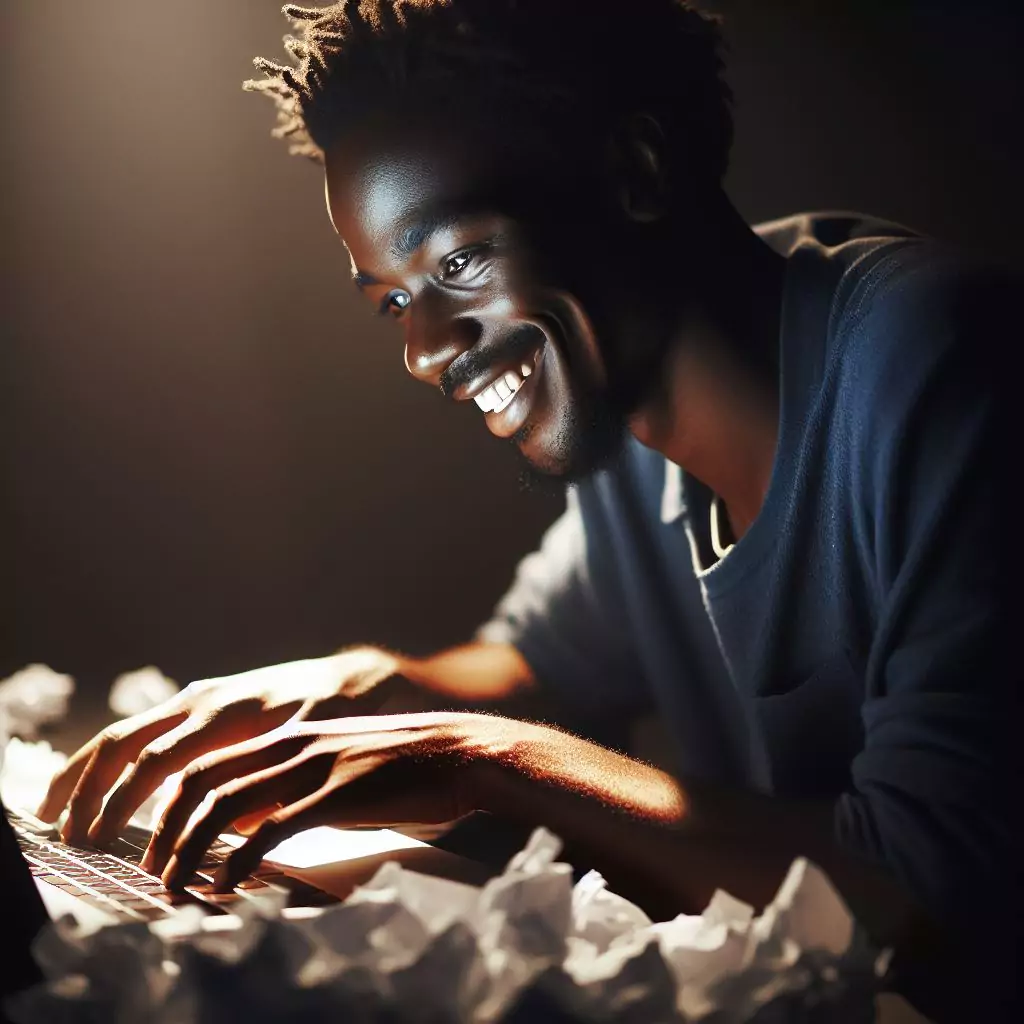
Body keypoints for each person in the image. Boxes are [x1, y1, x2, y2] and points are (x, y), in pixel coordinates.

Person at [39, 2, 1017, 1018]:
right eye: (390, 297)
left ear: (635, 171)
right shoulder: (628, 435)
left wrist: (480, 762)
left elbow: (925, 891)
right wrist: (339, 692)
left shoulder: (936, 358)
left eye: (457, 262)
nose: (421, 349)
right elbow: (532, 666)